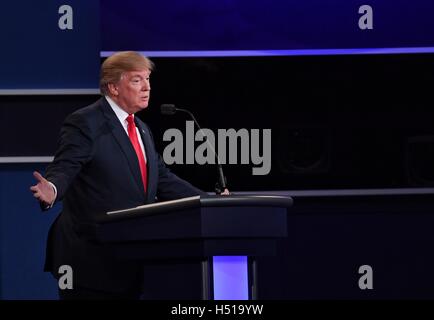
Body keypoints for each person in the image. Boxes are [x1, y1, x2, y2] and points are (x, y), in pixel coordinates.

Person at [30, 51, 227, 299]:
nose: (146, 87)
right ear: (113, 87)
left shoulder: (141, 128)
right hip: (90, 260)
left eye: (148, 80)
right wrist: (53, 189)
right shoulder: (85, 122)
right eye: (136, 80)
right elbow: (66, 166)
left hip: (130, 258)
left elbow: (162, 179)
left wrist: (210, 202)